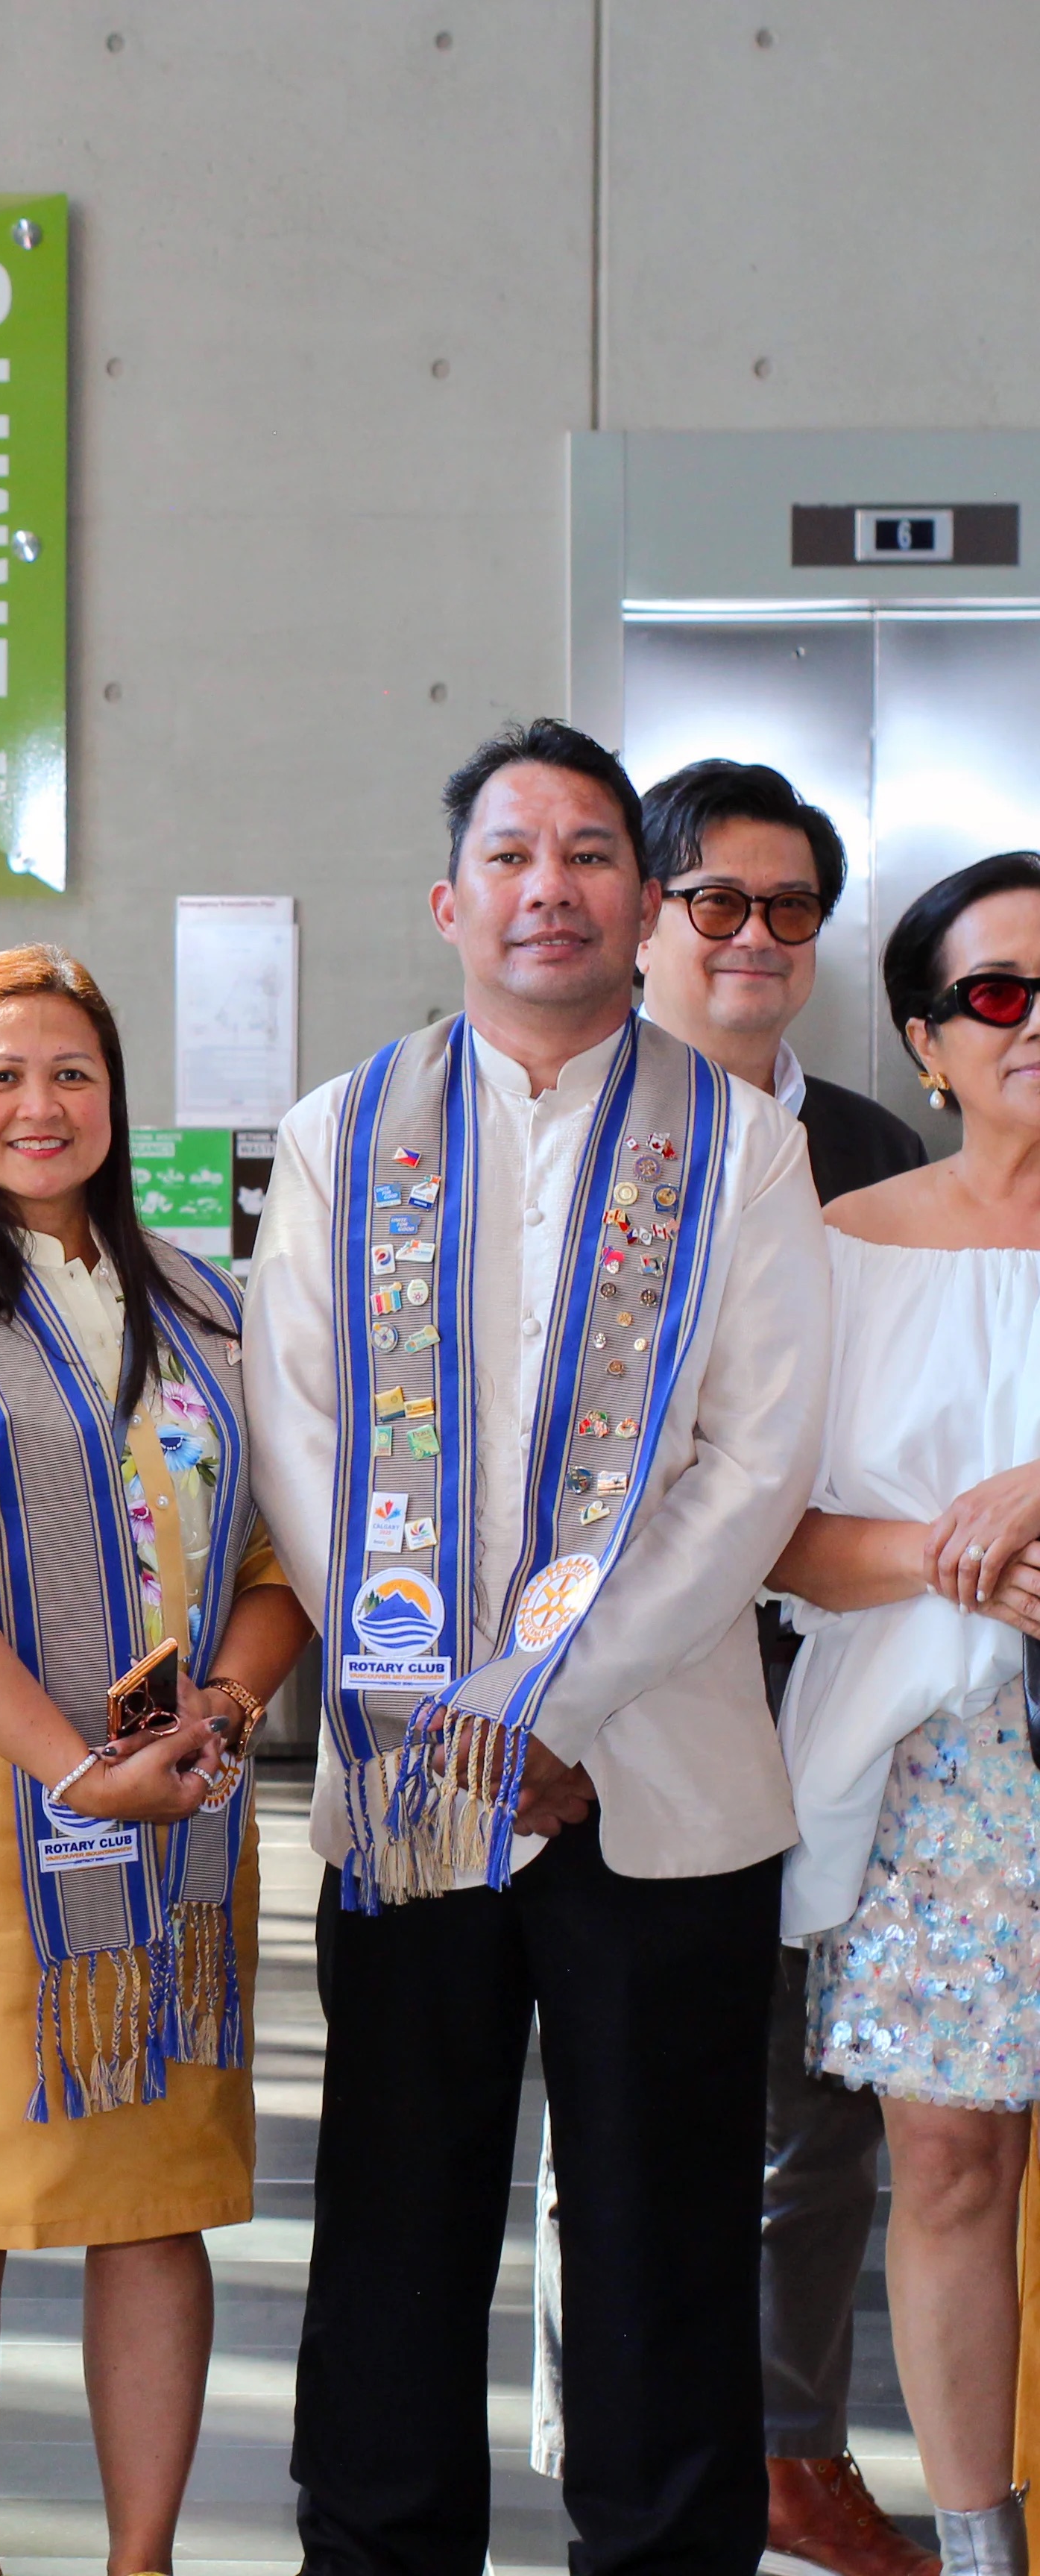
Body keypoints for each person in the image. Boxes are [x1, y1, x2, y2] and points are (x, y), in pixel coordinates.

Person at [250, 719, 828, 2575]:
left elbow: (757, 1460)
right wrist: (453, 1715)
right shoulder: (343, 1131)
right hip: (408, 1770)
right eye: (510, 854)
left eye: (589, 854)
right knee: (392, 2211)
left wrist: (549, 1705)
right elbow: (297, 1435)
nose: (548, 887)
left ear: (641, 903)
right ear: (449, 902)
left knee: (664, 2226)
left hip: (657, 1777)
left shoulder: (740, 1146)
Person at [0, 943, 315, 2575]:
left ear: (115, 1094)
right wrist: (73, 1770)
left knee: (154, 2207)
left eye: (71, 1072)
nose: (40, 1105)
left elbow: (279, 1564)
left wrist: (218, 1709)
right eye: (1, 1076)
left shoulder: (203, 1303)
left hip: (180, 1819)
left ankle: (139, 2558)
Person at [626, 756, 931, 2575]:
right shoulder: (586, 1139)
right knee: (630, 2097)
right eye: (716, 901)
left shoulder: (883, 1156)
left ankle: (793, 2447)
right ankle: (630, 2447)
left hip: (842, 1677)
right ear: (644, 917)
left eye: (789, 906)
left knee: (820, 2098)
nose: (754, 935)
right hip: (626, 1690)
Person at [763, 851, 1040, 2576]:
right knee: (944, 2166)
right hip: (936, 1758)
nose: (1036, 1023)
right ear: (928, 1040)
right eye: (999, 993)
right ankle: (980, 2540)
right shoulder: (844, 1252)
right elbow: (768, 1535)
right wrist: (964, 1558)